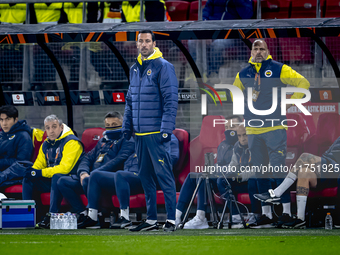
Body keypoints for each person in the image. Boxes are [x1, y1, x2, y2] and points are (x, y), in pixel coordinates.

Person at [232, 39, 310, 228]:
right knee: (260, 172)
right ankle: (266, 215)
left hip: (275, 128)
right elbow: (235, 94)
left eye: (262, 48)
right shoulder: (242, 74)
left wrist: (288, 104)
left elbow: (303, 83)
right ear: (251, 51)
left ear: (268, 51)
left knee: (277, 170)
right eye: (255, 48)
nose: (258, 51)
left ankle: (285, 213)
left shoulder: (278, 68)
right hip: (253, 130)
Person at [123, 30, 178, 232]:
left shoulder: (164, 67)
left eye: (147, 41)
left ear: (154, 44)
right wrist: (127, 126)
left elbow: (171, 101)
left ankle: (172, 219)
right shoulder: (134, 69)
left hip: (156, 133)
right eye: (140, 41)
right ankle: (152, 219)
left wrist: (166, 129)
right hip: (139, 135)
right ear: (136, 44)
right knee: (145, 177)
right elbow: (130, 101)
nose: (144, 44)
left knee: (164, 176)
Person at [79, 135, 179, 229]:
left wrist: (151, 164)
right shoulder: (140, 138)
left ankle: (125, 218)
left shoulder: (169, 138)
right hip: (129, 174)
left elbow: (173, 158)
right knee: (94, 175)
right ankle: (93, 217)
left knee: (120, 175)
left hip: (148, 177)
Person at [59, 112, 134, 228]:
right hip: (91, 179)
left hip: (112, 180)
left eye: (114, 124)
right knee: (62, 181)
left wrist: (95, 174)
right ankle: (83, 214)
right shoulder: (103, 140)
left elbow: (120, 159)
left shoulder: (127, 139)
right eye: (108, 125)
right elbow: (87, 158)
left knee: (93, 177)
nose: (111, 127)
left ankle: (94, 217)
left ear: (122, 124)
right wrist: (83, 173)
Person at [254, 137, 340, 228]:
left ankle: (277, 193)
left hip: (335, 169)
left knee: (305, 157)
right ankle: (300, 219)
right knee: (303, 172)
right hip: (326, 169)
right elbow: (328, 154)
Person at [22, 114, 84, 228]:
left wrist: (40, 173)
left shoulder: (72, 142)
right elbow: (39, 164)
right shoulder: (46, 143)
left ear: (61, 127)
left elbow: (65, 169)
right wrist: (33, 172)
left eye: (54, 126)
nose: (51, 131)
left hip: (72, 179)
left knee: (57, 176)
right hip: (53, 179)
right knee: (28, 178)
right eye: (48, 127)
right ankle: (29, 217)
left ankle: (52, 215)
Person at [0, 106, 33, 187]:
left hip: (15, 176)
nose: (4, 123)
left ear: (15, 120)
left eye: (8, 119)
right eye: (1, 120)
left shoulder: (23, 136)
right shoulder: (2, 135)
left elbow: (22, 164)